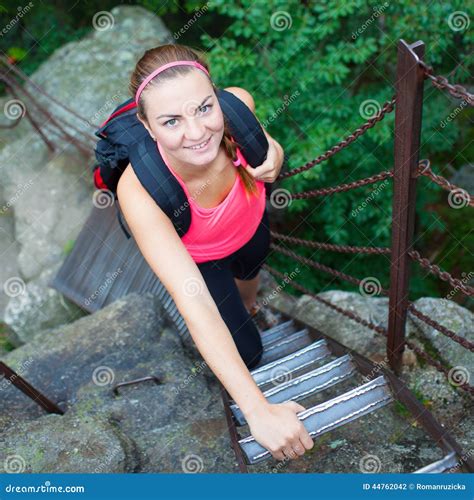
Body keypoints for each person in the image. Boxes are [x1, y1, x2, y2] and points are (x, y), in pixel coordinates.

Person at [117, 44, 314, 462]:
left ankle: (249, 305)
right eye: (171, 121)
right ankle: (245, 319)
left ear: (216, 96)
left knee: (251, 279)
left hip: (252, 226)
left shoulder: (236, 106)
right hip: (202, 259)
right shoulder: (139, 191)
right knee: (249, 351)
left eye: (204, 108)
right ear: (147, 126)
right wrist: (257, 410)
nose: (196, 132)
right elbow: (194, 303)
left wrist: (273, 155)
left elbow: (267, 143)